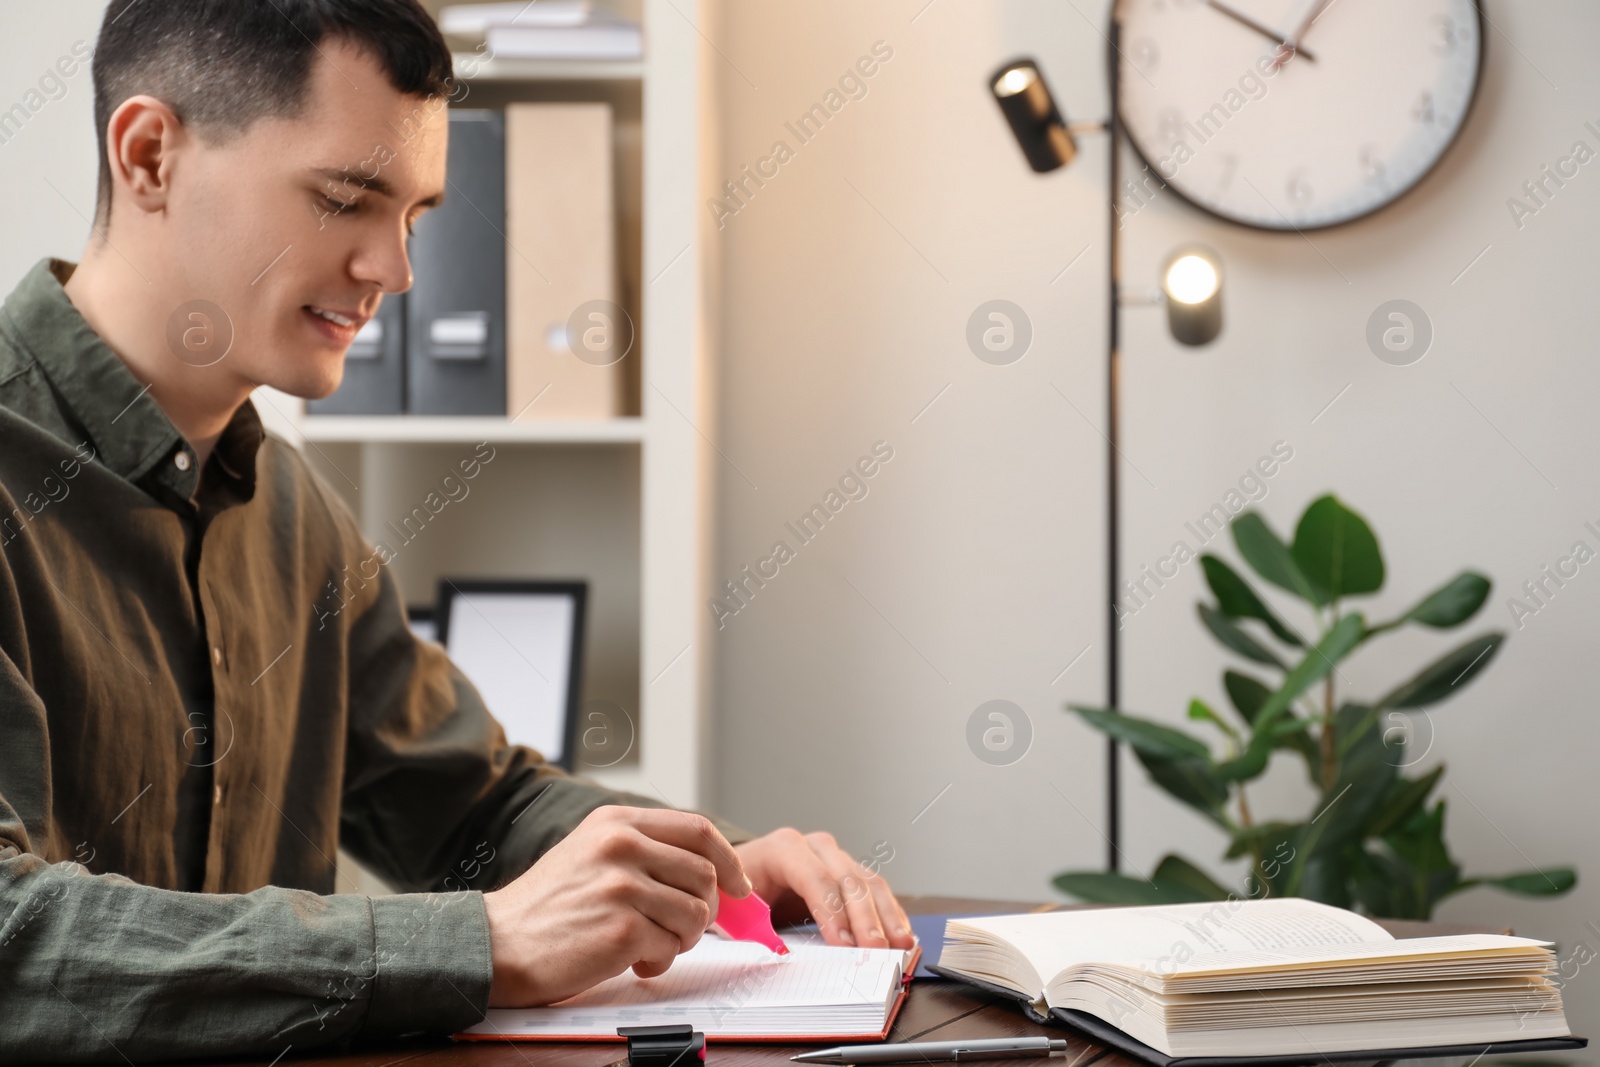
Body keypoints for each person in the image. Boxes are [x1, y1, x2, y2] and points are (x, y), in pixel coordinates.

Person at [0, 1, 912, 1060]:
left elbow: (468, 802)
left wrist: (714, 868)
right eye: (346, 198)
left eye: (417, 217)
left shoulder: (292, 514)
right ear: (151, 154)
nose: (395, 271)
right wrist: (478, 942)